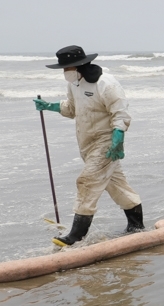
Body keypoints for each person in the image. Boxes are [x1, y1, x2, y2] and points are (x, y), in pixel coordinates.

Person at [33, 46, 144, 246]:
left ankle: (76, 236)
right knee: (116, 184)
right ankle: (137, 226)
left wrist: (118, 138)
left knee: (87, 182)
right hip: (87, 143)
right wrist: (50, 106)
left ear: (80, 64)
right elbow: (72, 108)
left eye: (67, 67)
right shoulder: (75, 83)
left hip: (107, 142)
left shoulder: (106, 84)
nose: (65, 72)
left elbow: (120, 112)